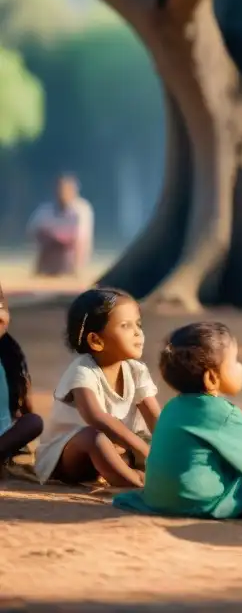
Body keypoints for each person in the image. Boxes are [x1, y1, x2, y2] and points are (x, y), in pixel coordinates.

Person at [114, 323, 242, 521]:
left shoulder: (171, 407)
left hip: (156, 499)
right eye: (235, 362)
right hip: (199, 502)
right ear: (211, 379)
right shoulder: (224, 413)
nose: (241, 368)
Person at [34, 288, 160, 488]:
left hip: (119, 449)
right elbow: (96, 417)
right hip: (69, 458)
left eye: (139, 324)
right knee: (94, 438)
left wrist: (166, 448)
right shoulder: (83, 370)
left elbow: (155, 419)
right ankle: (134, 481)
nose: (138, 332)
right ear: (96, 340)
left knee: (155, 439)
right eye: (125, 326)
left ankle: (136, 471)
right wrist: (142, 449)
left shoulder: (137, 371)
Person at [0, 282, 45, 466]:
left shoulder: (9, 353)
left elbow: (26, 403)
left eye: (0, 306)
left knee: (33, 422)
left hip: (3, 438)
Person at [26, 174, 94, 278]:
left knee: (68, 248)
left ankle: (74, 272)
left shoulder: (81, 210)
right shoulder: (45, 210)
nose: (62, 193)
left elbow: (80, 239)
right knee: (47, 244)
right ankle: (41, 272)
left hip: (71, 254)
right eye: (60, 190)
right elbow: (33, 231)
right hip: (50, 253)